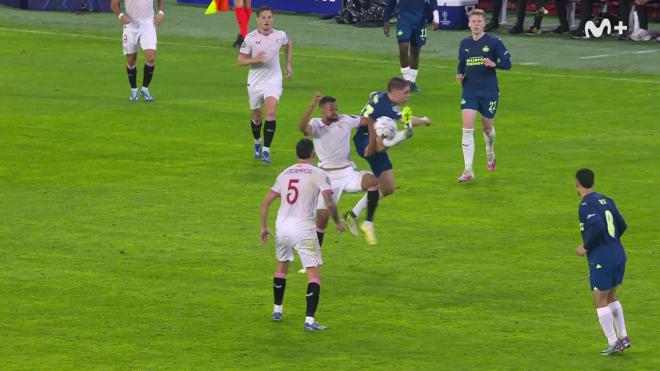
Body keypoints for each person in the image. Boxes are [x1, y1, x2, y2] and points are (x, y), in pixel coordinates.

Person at [260, 139, 344, 331]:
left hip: (282, 227)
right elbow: (329, 203)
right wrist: (338, 222)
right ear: (313, 154)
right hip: (303, 228)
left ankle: (277, 310)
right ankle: (309, 321)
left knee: (281, 267)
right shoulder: (319, 174)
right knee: (314, 274)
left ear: (296, 154)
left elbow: (264, 203)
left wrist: (263, 227)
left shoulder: (284, 173)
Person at [354, 77, 432, 244]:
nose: (408, 96)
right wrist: (425, 120)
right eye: (405, 92)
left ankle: (353, 215)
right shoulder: (388, 107)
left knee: (388, 187)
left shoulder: (381, 96)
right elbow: (409, 120)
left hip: (370, 137)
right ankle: (401, 137)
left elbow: (372, 94)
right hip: (364, 140)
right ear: (394, 92)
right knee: (381, 142)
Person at [299, 92, 380, 243]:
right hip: (327, 177)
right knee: (322, 219)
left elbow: (369, 120)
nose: (335, 111)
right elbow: (302, 128)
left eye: (336, 108)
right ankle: (312, 262)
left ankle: (367, 222)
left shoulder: (346, 119)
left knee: (373, 181)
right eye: (331, 108)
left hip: (348, 172)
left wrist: (372, 142)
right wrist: (310, 105)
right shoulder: (316, 124)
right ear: (322, 110)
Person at [574, 168, 631, 355]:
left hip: (602, 258)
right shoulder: (607, 200)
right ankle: (623, 337)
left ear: (577, 184)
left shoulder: (585, 205)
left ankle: (613, 342)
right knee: (611, 297)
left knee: (600, 300)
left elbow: (598, 225)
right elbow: (622, 224)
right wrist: (611, 240)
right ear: (593, 182)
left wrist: (586, 246)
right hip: (618, 254)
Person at [456, 9, 511, 182]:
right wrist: (460, 75)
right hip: (470, 91)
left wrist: (494, 64)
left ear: (484, 24)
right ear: (469, 24)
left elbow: (508, 63)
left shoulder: (494, 42)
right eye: (473, 21)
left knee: (487, 128)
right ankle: (468, 169)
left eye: (479, 21)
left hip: (489, 92)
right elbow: (461, 65)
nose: (476, 24)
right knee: (467, 128)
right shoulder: (464, 43)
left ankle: (490, 151)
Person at [238, 6, 293, 165]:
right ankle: (257, 142)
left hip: (273, 79)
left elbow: (288, 44)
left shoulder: (280, 35)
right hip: (255, 81)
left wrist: (288, 63)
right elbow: (240, 60)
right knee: (257, 115)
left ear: (272, 19)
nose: (266, 20)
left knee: (270, 112)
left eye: (269, 17)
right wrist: (254, 59)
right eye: (263, 17)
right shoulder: (250, 38)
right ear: (257, 19)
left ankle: (266, 151)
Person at [111, 0, 164, 102]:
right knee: (131, 61)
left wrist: (161, 12)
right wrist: (120, 15)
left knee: (151, 59)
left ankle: (145, 89)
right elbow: (114, 4)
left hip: (148, 24)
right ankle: (134, 90)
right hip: (130, 25)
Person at [383, 0, 433, 92]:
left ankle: (412, 82)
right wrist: (386, 20)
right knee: (403, 47)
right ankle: (406, 80)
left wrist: (435, 16)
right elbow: (391, 2)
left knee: (416, 51)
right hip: (403, 19)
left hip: (420, 21)